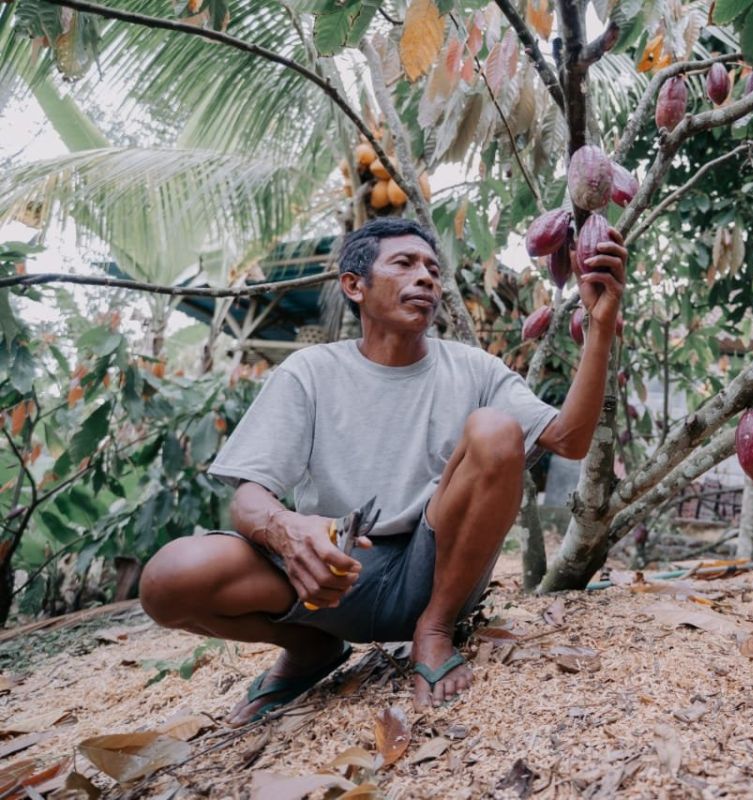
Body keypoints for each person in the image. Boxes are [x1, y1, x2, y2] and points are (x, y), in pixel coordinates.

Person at [138, 217, 627, 723]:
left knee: (495, 429)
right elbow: (248, 497)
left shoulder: (473, 369)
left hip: (436, 570)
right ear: (354, 285)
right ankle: (311, 651)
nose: (426, 278)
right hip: (334, 574)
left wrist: (599, 328)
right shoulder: (309, 373)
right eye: (405, 264)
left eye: (434, 270)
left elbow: (570, 440)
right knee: (169, 579)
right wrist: (289, 531)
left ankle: (433, 632)